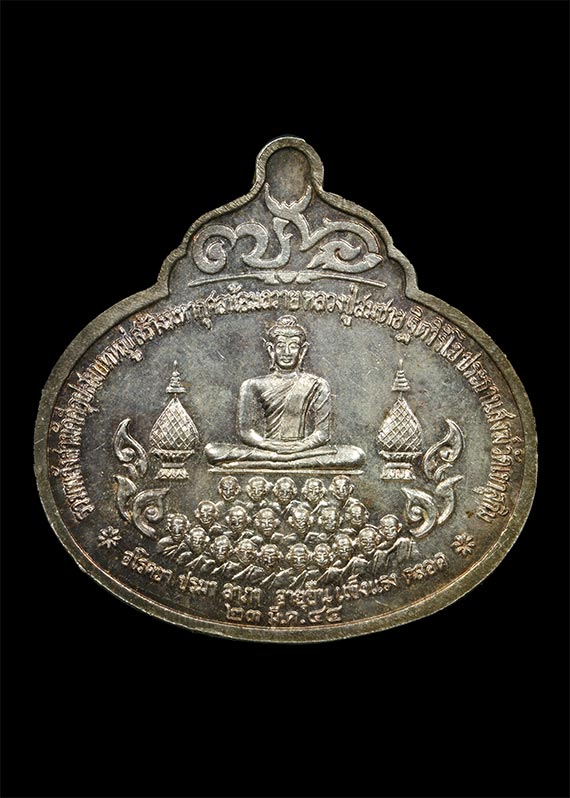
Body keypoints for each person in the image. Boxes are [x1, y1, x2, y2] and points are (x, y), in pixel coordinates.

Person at [204, 316, 364, 469]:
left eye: (293, 346)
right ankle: (284, 461)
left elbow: (322, 434)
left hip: (303, 450)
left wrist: (299, 447)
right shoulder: (252, 385)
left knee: (354, 455)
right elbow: (246, 432)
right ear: (271, 349)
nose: (286, 352)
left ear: (302, 350)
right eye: (280, 346)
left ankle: (275, 462)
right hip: (267, 449)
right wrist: (269, 445)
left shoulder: (317, 384)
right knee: (213, 451)